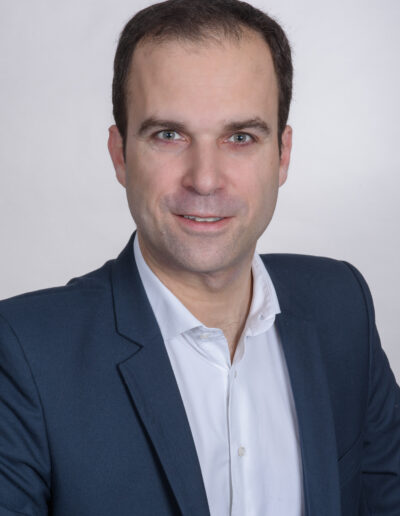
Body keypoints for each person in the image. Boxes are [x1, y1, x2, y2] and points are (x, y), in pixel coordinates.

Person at [0, 0, 399, 514]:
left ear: (282, 155)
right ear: (120, 155)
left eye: (240, 137)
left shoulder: (342, 308)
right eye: (169, 135)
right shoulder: (23, 354)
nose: (205, 180)